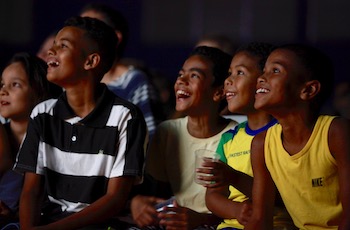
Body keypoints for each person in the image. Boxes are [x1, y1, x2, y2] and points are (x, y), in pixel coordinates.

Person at [14, 16, 147, 229]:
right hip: (47, 221)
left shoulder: (125, 117)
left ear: (90, 61)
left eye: (63, 45)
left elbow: (115, 199)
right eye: (54, 44)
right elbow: (31, 191)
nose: (51, 50)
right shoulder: (43, 113)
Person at [130, 46, 237, 229]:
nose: (181, 80)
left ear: (218, 92)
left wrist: (201, 219)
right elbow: (158, 193)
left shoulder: (236, 136)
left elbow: (242, 210)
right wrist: (138, 202)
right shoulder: (168, 132)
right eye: (180, 74)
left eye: (194, 75)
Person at [245, 44, 350, 229]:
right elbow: (260, 219)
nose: (261, 78)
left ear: (308, 90)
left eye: (275, 70)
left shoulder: (336, 132)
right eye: (264, 71)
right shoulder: (262, 144)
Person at [200, 42, 295, 230]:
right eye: (229, 73)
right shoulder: (230, 139)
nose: (228, 81)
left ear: (262, 81)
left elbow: (291, 196)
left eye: (240, 73)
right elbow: (212, 196)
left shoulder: (285, 133)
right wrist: (237, 210)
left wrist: (234, 178)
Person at [80, 3, 162, 138]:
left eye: (89, 30)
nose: (81, 38)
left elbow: (149, 140)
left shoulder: (133, 82)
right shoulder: (73, 81)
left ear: (115, 38)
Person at [0, 52, 62, 229]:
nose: (3, 91)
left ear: (39, 91)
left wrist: (13, 215)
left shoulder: (51, 141)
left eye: (15, 85)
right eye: (2, 84)